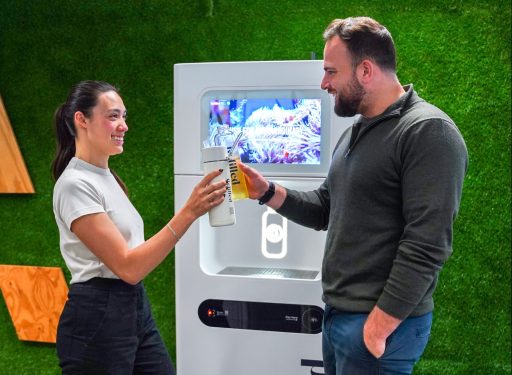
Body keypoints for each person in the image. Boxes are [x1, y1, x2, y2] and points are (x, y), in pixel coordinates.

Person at [239, 17, 468, 375]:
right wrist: (266, 191)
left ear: (365, 70)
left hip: (378, 328)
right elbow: (325, 209)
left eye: (331, 71)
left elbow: (428, 243)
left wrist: (378, 327)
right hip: (339, 319)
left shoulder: (427, 131)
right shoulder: (355, 133)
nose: (324, 83)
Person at [51, 80, 227, 374]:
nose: (123, 126)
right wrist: (189, 212)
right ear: (81, 120)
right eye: (112, 116)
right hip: (97, 314)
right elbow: (129, 267)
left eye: (123, 116)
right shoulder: (74, 184)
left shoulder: (106, 176)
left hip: (133, 307)